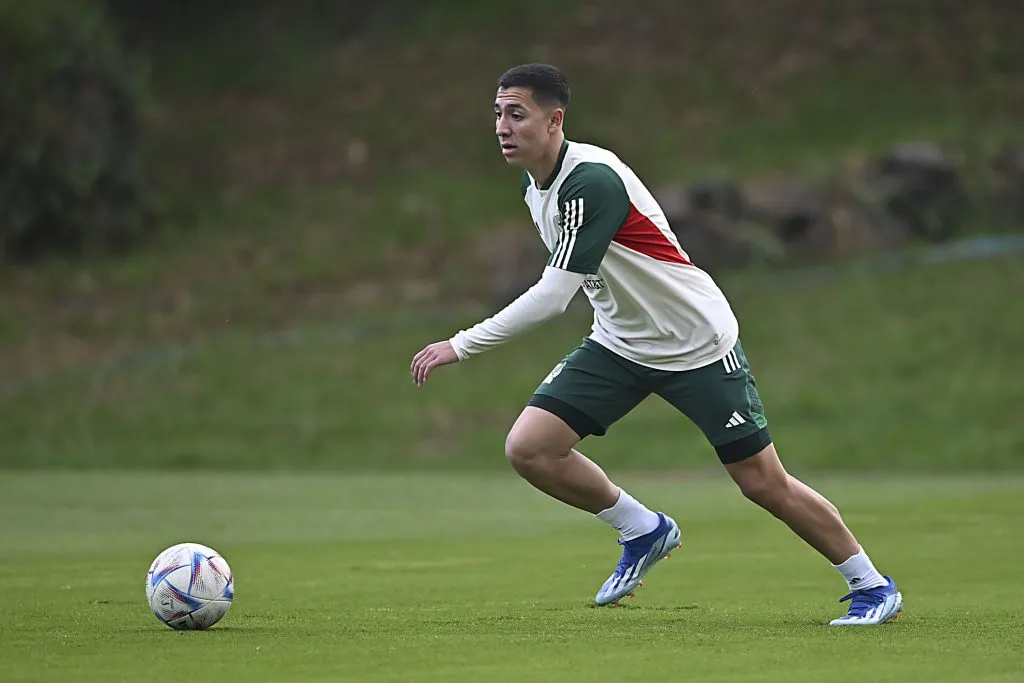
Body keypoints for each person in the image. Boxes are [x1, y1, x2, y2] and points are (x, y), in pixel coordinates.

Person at [410, 63, 903, 626]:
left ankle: (872, 585)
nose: (502, 126)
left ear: (555, 120)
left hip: (695, 344)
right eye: (497, 114)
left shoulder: (590, 180)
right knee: (530, 448)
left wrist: (461, 344)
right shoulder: (535, 186)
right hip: (621, 343)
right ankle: (643, 529)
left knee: (762, 483)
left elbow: (553, 297)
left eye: (516, 113)